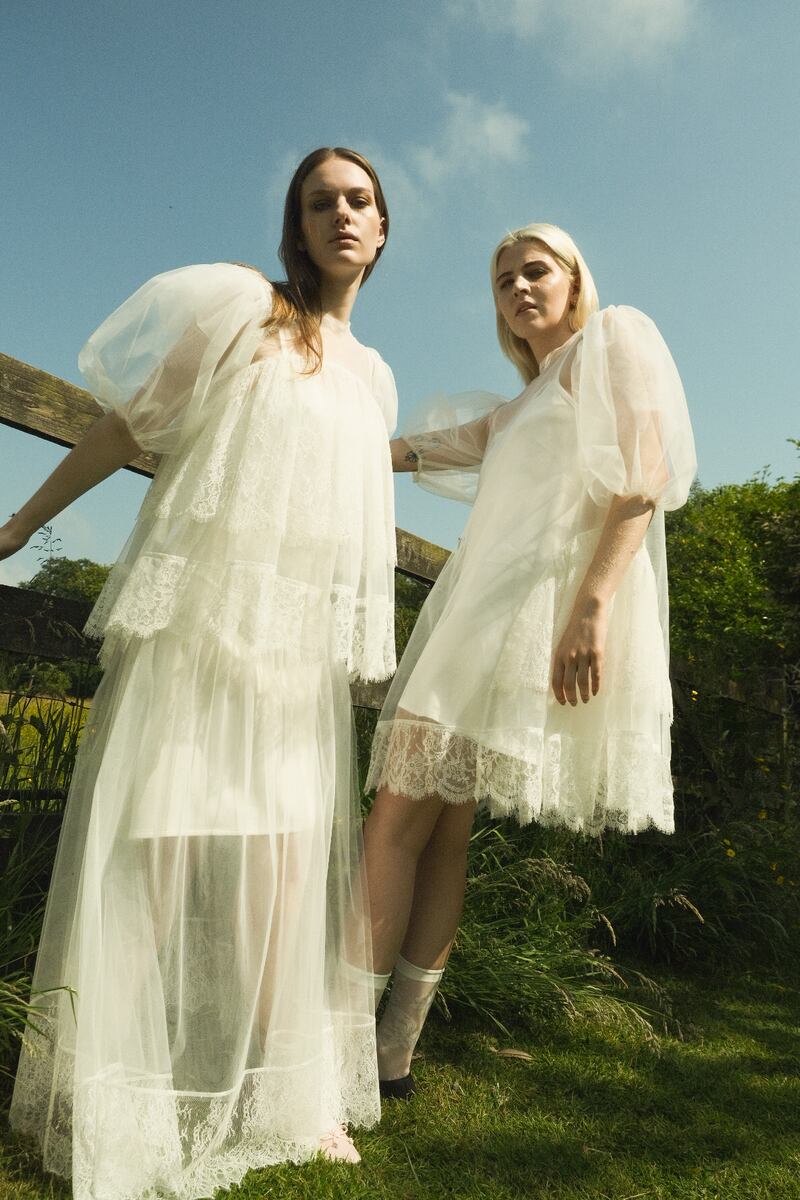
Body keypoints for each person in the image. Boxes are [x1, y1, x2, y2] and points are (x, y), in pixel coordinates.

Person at [3, 146, 397, 1196]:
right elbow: (127, 424)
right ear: (296, 226)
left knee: (279, 876)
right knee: (159, 850)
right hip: (201, 626)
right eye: (320, 201)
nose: (341, 214)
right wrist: (18, 526)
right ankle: (115, 1099)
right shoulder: (244, 312)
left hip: (290, 657)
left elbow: (354, 528)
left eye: (358, 200)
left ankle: (288, 1096)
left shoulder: (375, 377)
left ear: (383, 227)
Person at [362, 223, 697, 1098]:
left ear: (577, 277)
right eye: (502, 278)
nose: (517, 286)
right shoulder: (524, 403)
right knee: (437, 830)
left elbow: (645, 477)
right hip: (477, 614)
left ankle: (337, 1046)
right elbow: (415, 451)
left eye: (535, 269)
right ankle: (389, 1055)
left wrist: (593, 606)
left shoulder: (613, 343)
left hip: (530, 618)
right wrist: (311, 435)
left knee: (398, 814)